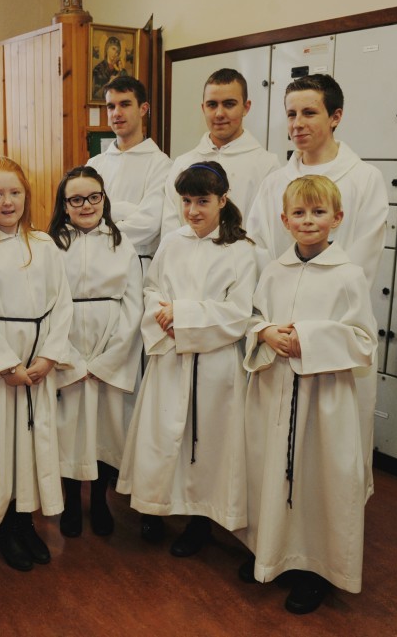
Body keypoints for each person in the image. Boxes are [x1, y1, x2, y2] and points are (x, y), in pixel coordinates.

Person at [238, 175, 376, 614]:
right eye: (299, 213)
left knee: (318, 479)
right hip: (274, 388)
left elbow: (363, 341)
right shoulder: (274, 270)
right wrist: (265, 332)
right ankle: (271, 555)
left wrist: (307, 339)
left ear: (337, 218)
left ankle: (316, 570)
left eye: (319, 212)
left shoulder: (348, 276)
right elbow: (254, 317)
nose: (308, 221)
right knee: (271, 473)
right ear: (284, 220)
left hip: (323, 397)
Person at [245, 73, 387, 499]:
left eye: (309, 112)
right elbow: (257, 253)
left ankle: (325, 548)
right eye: (291, 114)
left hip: (332, 339)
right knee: (275, 448)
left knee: (329, 454)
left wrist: (308, 334)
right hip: (277, 336)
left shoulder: (364, 179)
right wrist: (268, 325)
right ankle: (271, 545)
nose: (297, 124)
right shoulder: (275, 182)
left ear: (336, 116)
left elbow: (359, 263)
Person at [117, 162, 257, 555]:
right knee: (161, 437)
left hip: (213, 365)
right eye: (186, 201)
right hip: (169, 356)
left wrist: (184, 314)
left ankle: (199, 521)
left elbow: (239, 312)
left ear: (223, 200)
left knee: (207, 442)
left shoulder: (241, 250)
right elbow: (150, 288)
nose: (193, 210)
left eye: (203, 201)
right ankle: (153, 507)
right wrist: (164, 316)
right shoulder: (173, 241)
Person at [0, 156, 82, 572]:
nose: (7, 202)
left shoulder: (44, 246)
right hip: (3, 371)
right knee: (2, 446)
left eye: (14, 193)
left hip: (39, 363)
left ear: (27, 195)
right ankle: (6, 527)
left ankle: (27, 521)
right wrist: (6, 367)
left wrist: (48, 355)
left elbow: (62, 304)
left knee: (33, 445)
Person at [46, 166, 143, 538]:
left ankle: (99, 500)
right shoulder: (50, 245)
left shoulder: (122, 244)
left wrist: (108, 358)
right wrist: (67, 356)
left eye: (94, 197)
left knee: (104, 427)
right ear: (64, 205)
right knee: (68, 429)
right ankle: (72, 502)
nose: (86, 205)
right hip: (65, 341)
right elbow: (45, 302)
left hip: (110, 342)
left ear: (104, 199)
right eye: (76, 199)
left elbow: (134, 305)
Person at [160, 68, 279, 235]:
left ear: (246, 107)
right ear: (203, 108)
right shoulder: (183, 163)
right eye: (212, 104)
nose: (219, 113)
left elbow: (268, 232)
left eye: (229, 104)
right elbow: (170, 226)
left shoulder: (267, 165)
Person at [86, 76, 171, 273]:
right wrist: (127, 210)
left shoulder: (161, 164)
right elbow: (80, 217)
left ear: (143, 108)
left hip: (137, 266)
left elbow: (149, 224)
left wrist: (103, 216)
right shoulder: (94, 165)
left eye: (125, 104)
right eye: (110, 106)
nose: (116, 113)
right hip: (95, 264)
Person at [91, 36, 129, 101]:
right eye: (113, 49)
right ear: (107, 49)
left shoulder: (120, 70)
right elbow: (95, 94)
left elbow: (127, 92)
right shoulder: (98, 69)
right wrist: (110, 83)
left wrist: (122, 72)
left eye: (117, 51)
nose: (115, 53)